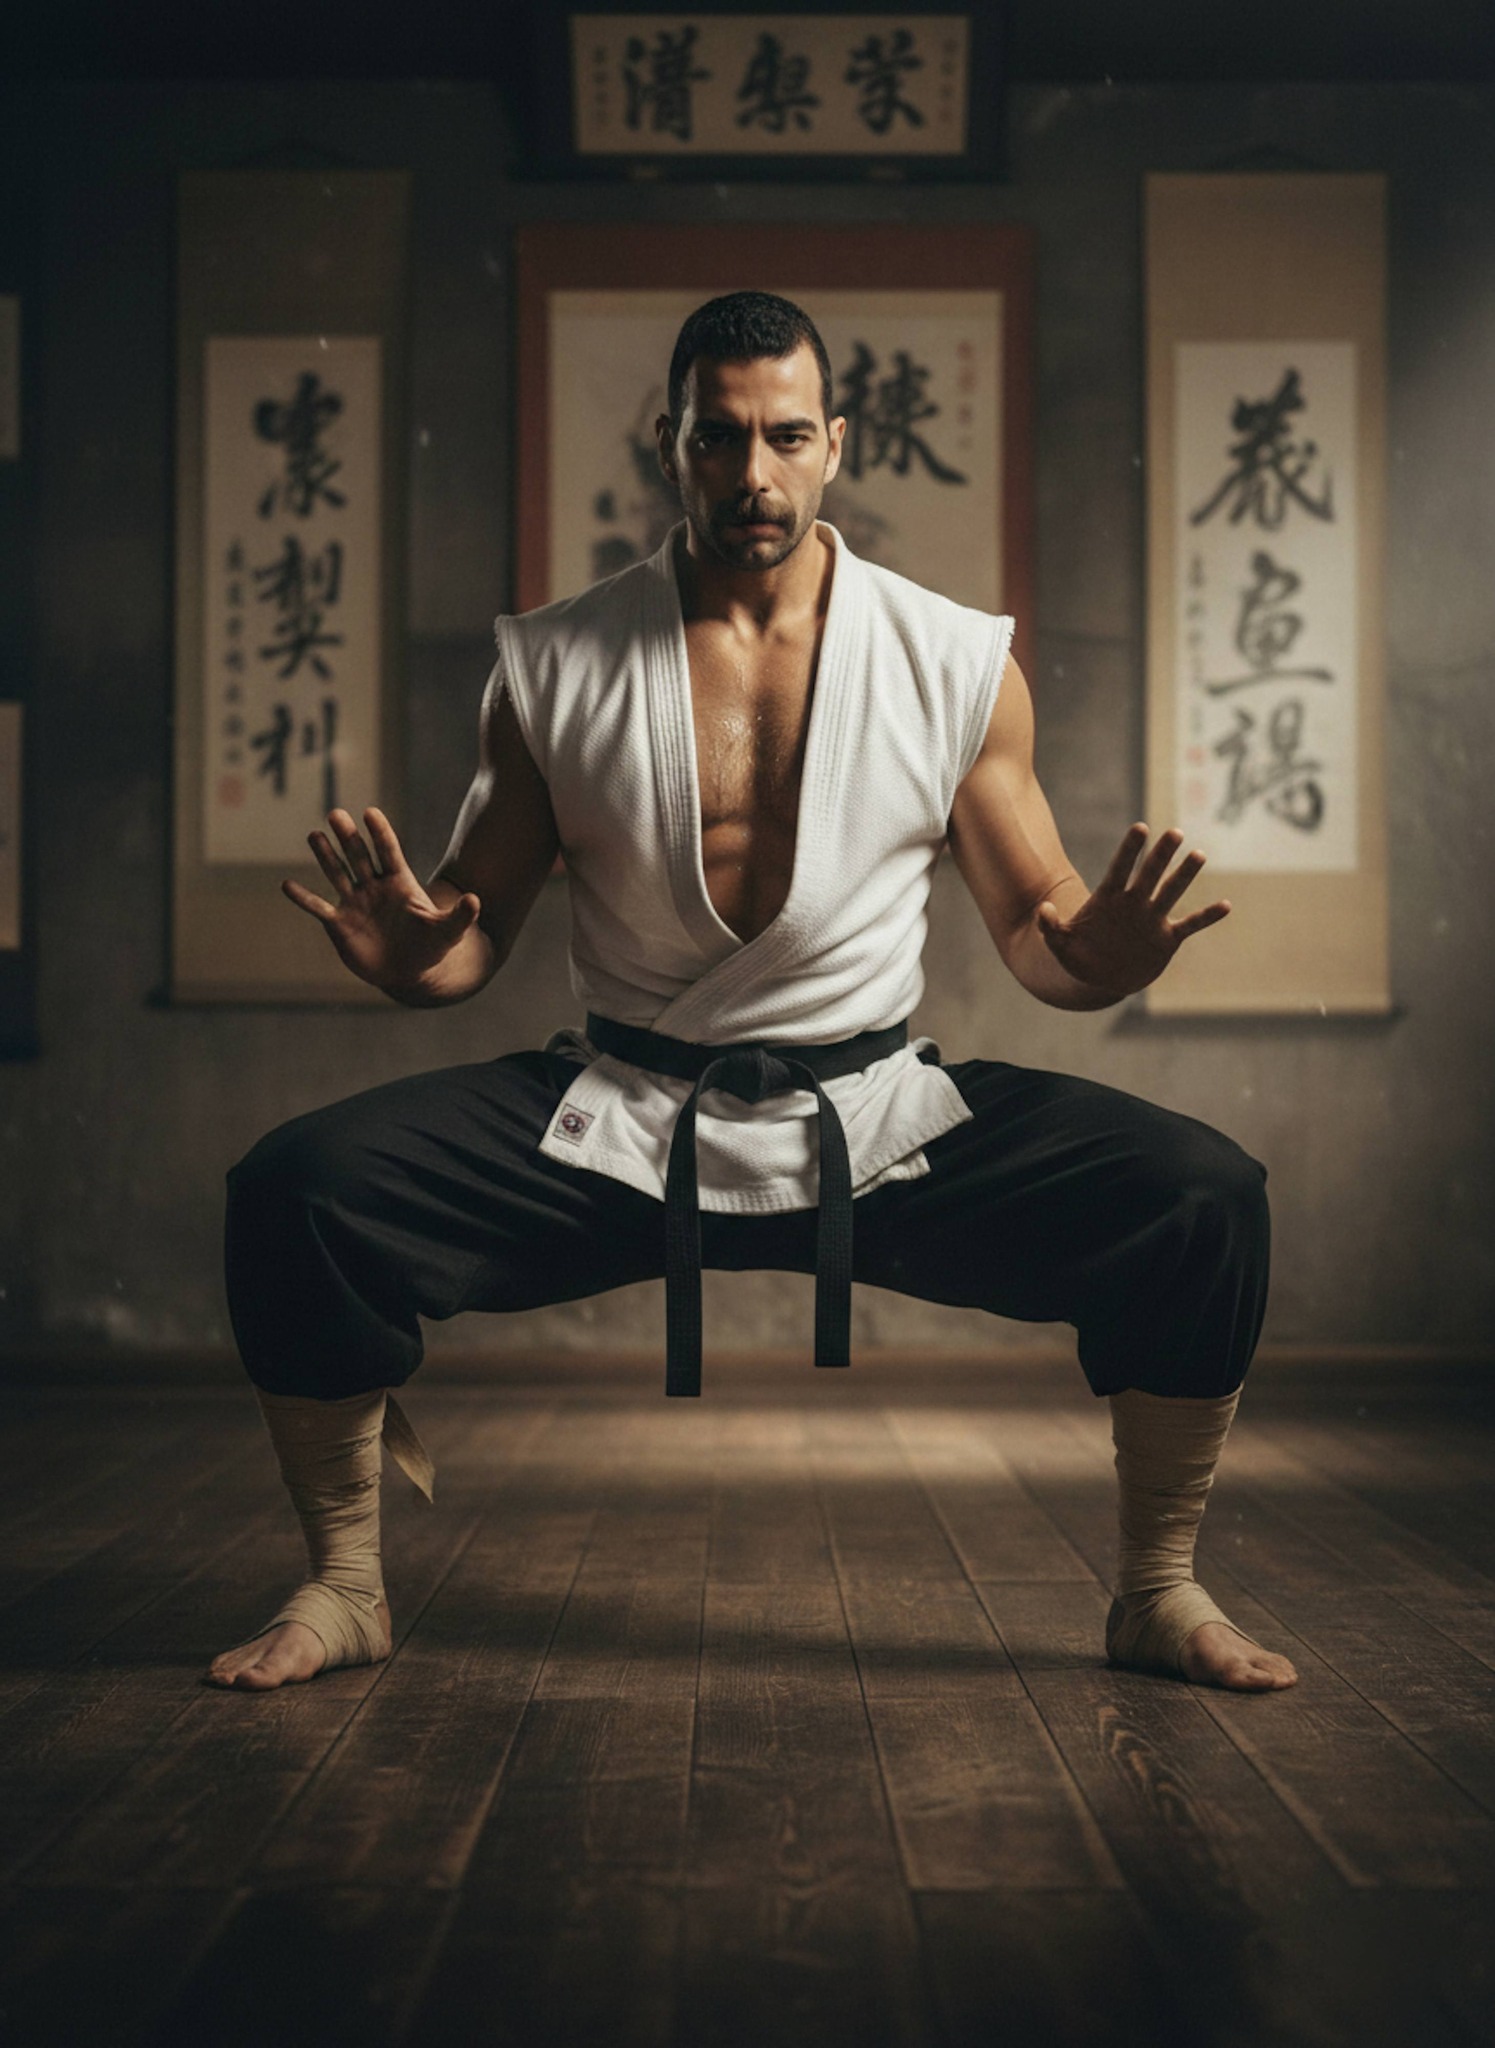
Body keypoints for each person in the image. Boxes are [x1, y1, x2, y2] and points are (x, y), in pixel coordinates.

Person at [208, 292, 1297, 1696]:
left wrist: (1109, 957)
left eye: (785, 436)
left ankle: (1158, 1588)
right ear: (669, 445)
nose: (753, 472)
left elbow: (1041, 929)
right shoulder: (552, 664)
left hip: (876, 1118)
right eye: (718, 438)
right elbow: (471, 928)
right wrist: (410, 957)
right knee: (298, 1190)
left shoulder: (953, 660)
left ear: (836, 442)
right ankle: (345, 1582)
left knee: (1204, 1196)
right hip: (623, 1113)